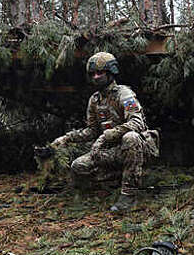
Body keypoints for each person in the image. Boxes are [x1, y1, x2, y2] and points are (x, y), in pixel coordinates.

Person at [50, 52, 159, 211]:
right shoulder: (94, 100)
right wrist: (66, 139)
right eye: (93, 74)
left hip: (137, 148)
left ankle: (129, 195)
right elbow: (92, 130)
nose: (96, 77)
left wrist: (110, 134)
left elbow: (137, 122)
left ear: (110, 73)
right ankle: (114, 181)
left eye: (100, 73)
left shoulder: (124, 94)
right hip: (111, 150)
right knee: (78, 166)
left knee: (131, 137)